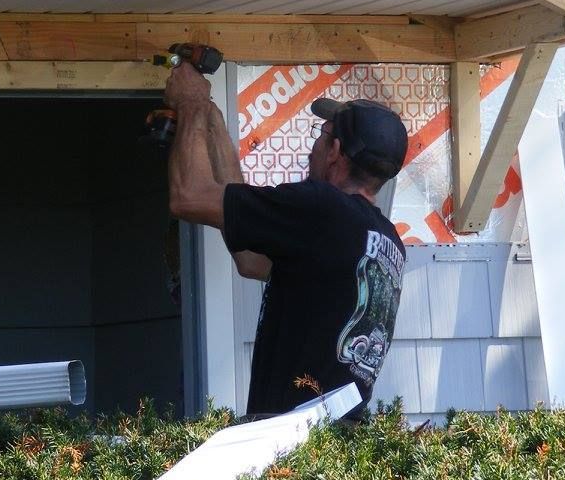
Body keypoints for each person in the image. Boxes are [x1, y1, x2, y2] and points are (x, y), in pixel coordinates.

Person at [164, 60, 408, 415]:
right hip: (338, 443)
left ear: (336, 151)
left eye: (321, 136)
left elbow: (189, 196)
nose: (313, 148)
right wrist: (209, 119)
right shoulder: (383, 239)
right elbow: (250, 258)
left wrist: (188, 104)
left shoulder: (322, 208)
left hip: (290, 441)